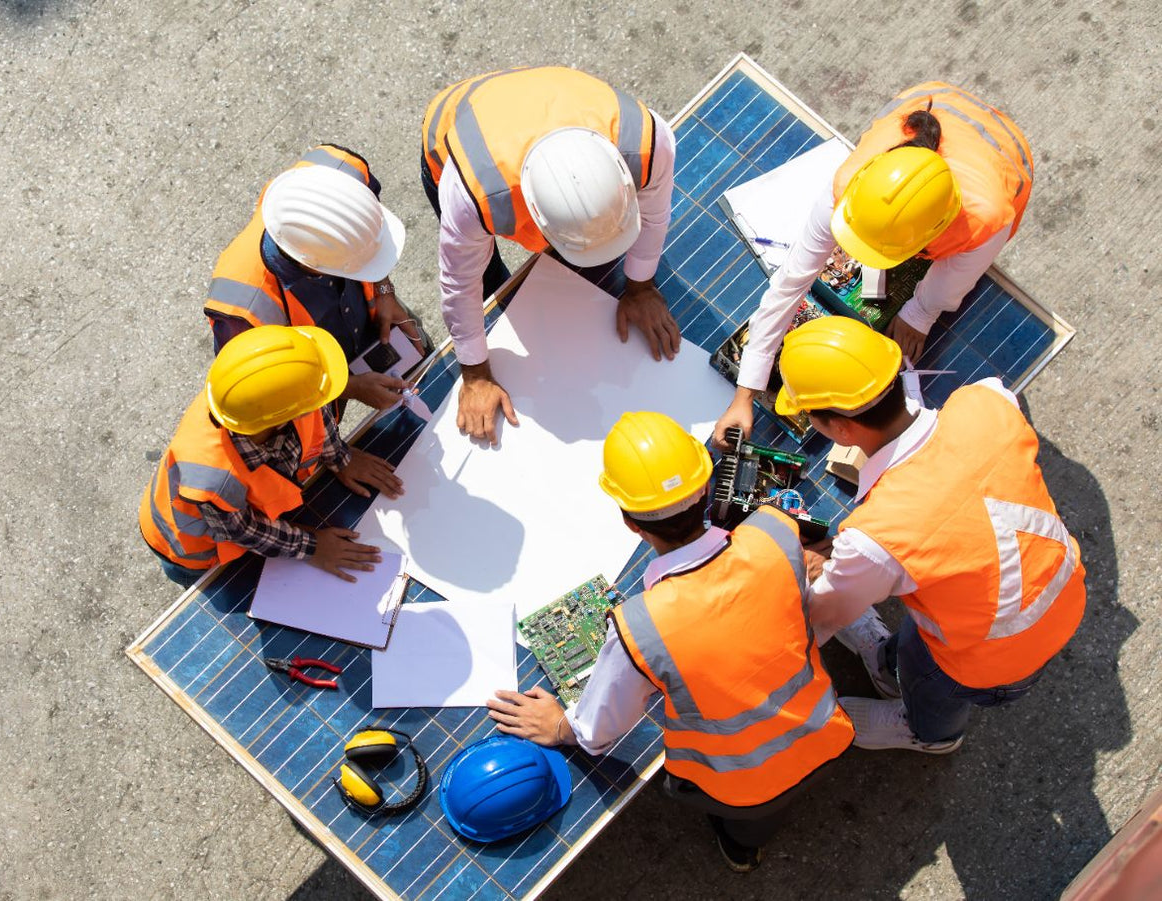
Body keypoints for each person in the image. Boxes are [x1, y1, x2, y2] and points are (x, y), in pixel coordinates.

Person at [486, 412, 851, 871]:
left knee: (748, 817)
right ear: (706, 490)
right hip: (827, 725)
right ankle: (746, 840)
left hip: (743, 782)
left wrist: (560, 725)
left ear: (630, 523)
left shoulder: (640, 627)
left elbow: (596, 734)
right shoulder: (776, 531)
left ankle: (742, 848)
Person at [775, 316, 1084, 753]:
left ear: (840, 428)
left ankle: (930, 734)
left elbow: (823, 618)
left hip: (993, 660)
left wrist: (816, 574)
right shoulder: (987, 399)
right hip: (1061, 594)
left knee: (931, 683)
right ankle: (886, 664)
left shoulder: (878, 536)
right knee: (917, 645)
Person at [714, 82, 1033, 450]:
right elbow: (790, 283)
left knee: (954, 275)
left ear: (930, 235)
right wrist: (745, 393)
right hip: (935, 99)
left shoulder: (984, 219)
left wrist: (921, 312)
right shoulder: (849, 188)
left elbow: (953, 280)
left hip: (1006, 154)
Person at [420, 66, 682, 446]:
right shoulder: (474, 193)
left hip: (548, 101)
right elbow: (460, 283)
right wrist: (475, 374)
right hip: (454, 127)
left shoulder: (647, 143)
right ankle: (507, 295)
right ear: (537, 218)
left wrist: (641, 288)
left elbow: (655, 215)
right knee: (494, 285)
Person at [139, 325, 404, 588]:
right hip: (190, 548)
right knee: (218, 586)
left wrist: (341, 458)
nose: (315, 405)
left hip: (245, 521)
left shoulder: (260, 401)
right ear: (279, 421)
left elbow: (314, 411)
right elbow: (244, 531)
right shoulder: (213, 480)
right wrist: (312, 547)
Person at [203, 145, 427, 412]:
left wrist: (384, 289)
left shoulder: (343, 169)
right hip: (314, 372)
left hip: (374, 316)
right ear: (313, 266)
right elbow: (272, 388)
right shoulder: (242, 313)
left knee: (423, 370)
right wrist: (349, 387)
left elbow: (369, 235)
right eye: (358, 266)